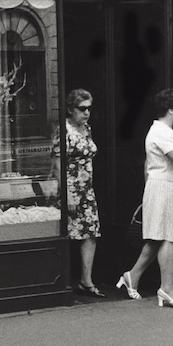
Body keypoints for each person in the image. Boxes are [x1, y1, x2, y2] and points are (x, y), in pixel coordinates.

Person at [117, 88, 173, 308]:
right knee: (168, 237)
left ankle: (131, 277)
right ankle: (167, 289)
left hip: (163, 186)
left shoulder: (162, 131)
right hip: (166, 187)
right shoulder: (161, 132)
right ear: (171, 110)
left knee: (156, 238)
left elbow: (148, 165)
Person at [62, 89, 104, 297]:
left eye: (89, 108)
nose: (86, 113)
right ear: (70, 109)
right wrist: (67, 193)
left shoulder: (86, 128)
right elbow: (56, 166)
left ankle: (86, 281)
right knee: (68, 233)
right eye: (82, 109)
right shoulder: (63, 131)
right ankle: (62, 281)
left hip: (87, 190)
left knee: (90, 232)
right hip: (71, 190)